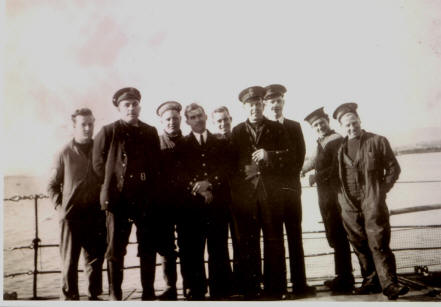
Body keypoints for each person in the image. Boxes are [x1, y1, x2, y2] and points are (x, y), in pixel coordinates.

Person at [332, 102, 409, 300]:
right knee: (358, 244)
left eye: (354, 123)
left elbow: (394, 169)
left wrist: (381, 191)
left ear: (359, 121)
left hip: (372, 201)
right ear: (342, 127)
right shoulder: (340, 148)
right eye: (347, 125)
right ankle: (370, 281)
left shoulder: (378, 141)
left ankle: (390, 284)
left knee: (379, 242)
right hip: (349, 204)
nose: (352, 128)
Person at [92, 87, 161, 300]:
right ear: (119, 108)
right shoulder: (108, 131)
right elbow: (97, 164)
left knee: (147, 247)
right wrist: (112, 183)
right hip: (118, 200)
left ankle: (148, 293)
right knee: (115, 250)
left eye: (134, 104)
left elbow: (156, 165)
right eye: (126, 105)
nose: (131, 108)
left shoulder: (150, 132)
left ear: (139, 106)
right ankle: (115, 294)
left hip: (144, 200)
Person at [229, 86, 292, 299]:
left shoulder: (276, 128)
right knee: (249, 241)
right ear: (244, 107)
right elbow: (231, 165)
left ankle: (277, 288)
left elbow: (291, 157)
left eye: (257, 104)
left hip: (272, 194)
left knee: (274, 239)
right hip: (247, 196)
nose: (254, 108)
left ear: (262, 105)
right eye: (250, 105)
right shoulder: (237, 131)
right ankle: (252, 287)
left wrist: (270, 155)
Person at [175, 103, 233, 300]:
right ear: (187, 121)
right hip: (192, 208)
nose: (197, 119)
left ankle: (221, 290)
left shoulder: (220, 142)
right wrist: (198, 187)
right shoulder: (181, 145)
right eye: (192, 117)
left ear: (206, 117)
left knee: (218, 247)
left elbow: (226, 169)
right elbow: (180, 174)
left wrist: (210, 184)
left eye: (200, 115)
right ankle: (196, 290)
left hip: (216, 204)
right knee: (194, 249)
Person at [263, 84, 315, 298]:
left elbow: (299, 156)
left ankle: (300, 284)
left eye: (279, 101)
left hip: (292, 190)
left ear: (283, 102)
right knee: (275, 239)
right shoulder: (263, 128)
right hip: (272, 192)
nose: (275, 105)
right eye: (271, 102)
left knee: (295, 237)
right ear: (266, 104)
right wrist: (279, 159)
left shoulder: (294, 126)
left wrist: (275, 158)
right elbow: (263, 163)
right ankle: (279, 286)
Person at [47, 108, 106, 300]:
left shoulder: (100, 149)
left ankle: (94, 297)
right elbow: (52, 186)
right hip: (71, 217)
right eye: (83, 125)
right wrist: (60, 208)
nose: (88, 128)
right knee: (69, 263)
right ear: (74, 126)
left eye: (91, 124)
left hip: (96, 215)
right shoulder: (64, 152)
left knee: (95, 261)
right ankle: (70, 299)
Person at [301, 107, 354, 293]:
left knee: (339, 236)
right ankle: (342, 275)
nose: (319, 126)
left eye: (321, 122)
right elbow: (316, 161)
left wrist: (316, 177)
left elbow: (336, 168)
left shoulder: (336, 140)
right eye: (315, 125)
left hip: (335, 196)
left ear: (327, 122)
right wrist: (302, 169)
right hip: (325, 197)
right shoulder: (322, 141)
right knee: (333, 235)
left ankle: (346, 278)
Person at [154, 101, 184, 300]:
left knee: (188, 245)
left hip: (186, 203)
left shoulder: (189, 142)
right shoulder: (155, 143)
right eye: (167, 119)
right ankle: (170, 287)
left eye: (175, 118)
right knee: (166, 248)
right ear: (161, 122)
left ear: (180, 119)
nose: (171, 122)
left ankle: (191, 285)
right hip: (164, 204)